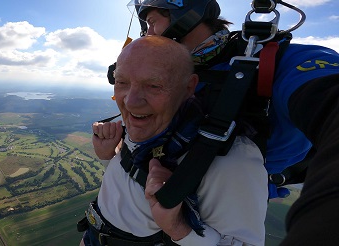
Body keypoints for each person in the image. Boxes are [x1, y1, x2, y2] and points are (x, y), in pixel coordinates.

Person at [123, 0, 339, 245]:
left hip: (232, 202)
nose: (147, 34)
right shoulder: (171, 72)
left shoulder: (280, 60)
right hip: (166, 196)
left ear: (186, 14)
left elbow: (330, 103)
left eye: (152, 23)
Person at [80, 35, 268, 245]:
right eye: (121, 82)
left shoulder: (230, 161)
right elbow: (130, 185)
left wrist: (178, 227)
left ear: (189, 88)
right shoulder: (141, 126)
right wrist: (108, 157)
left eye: (153, 85)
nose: (131, 102)